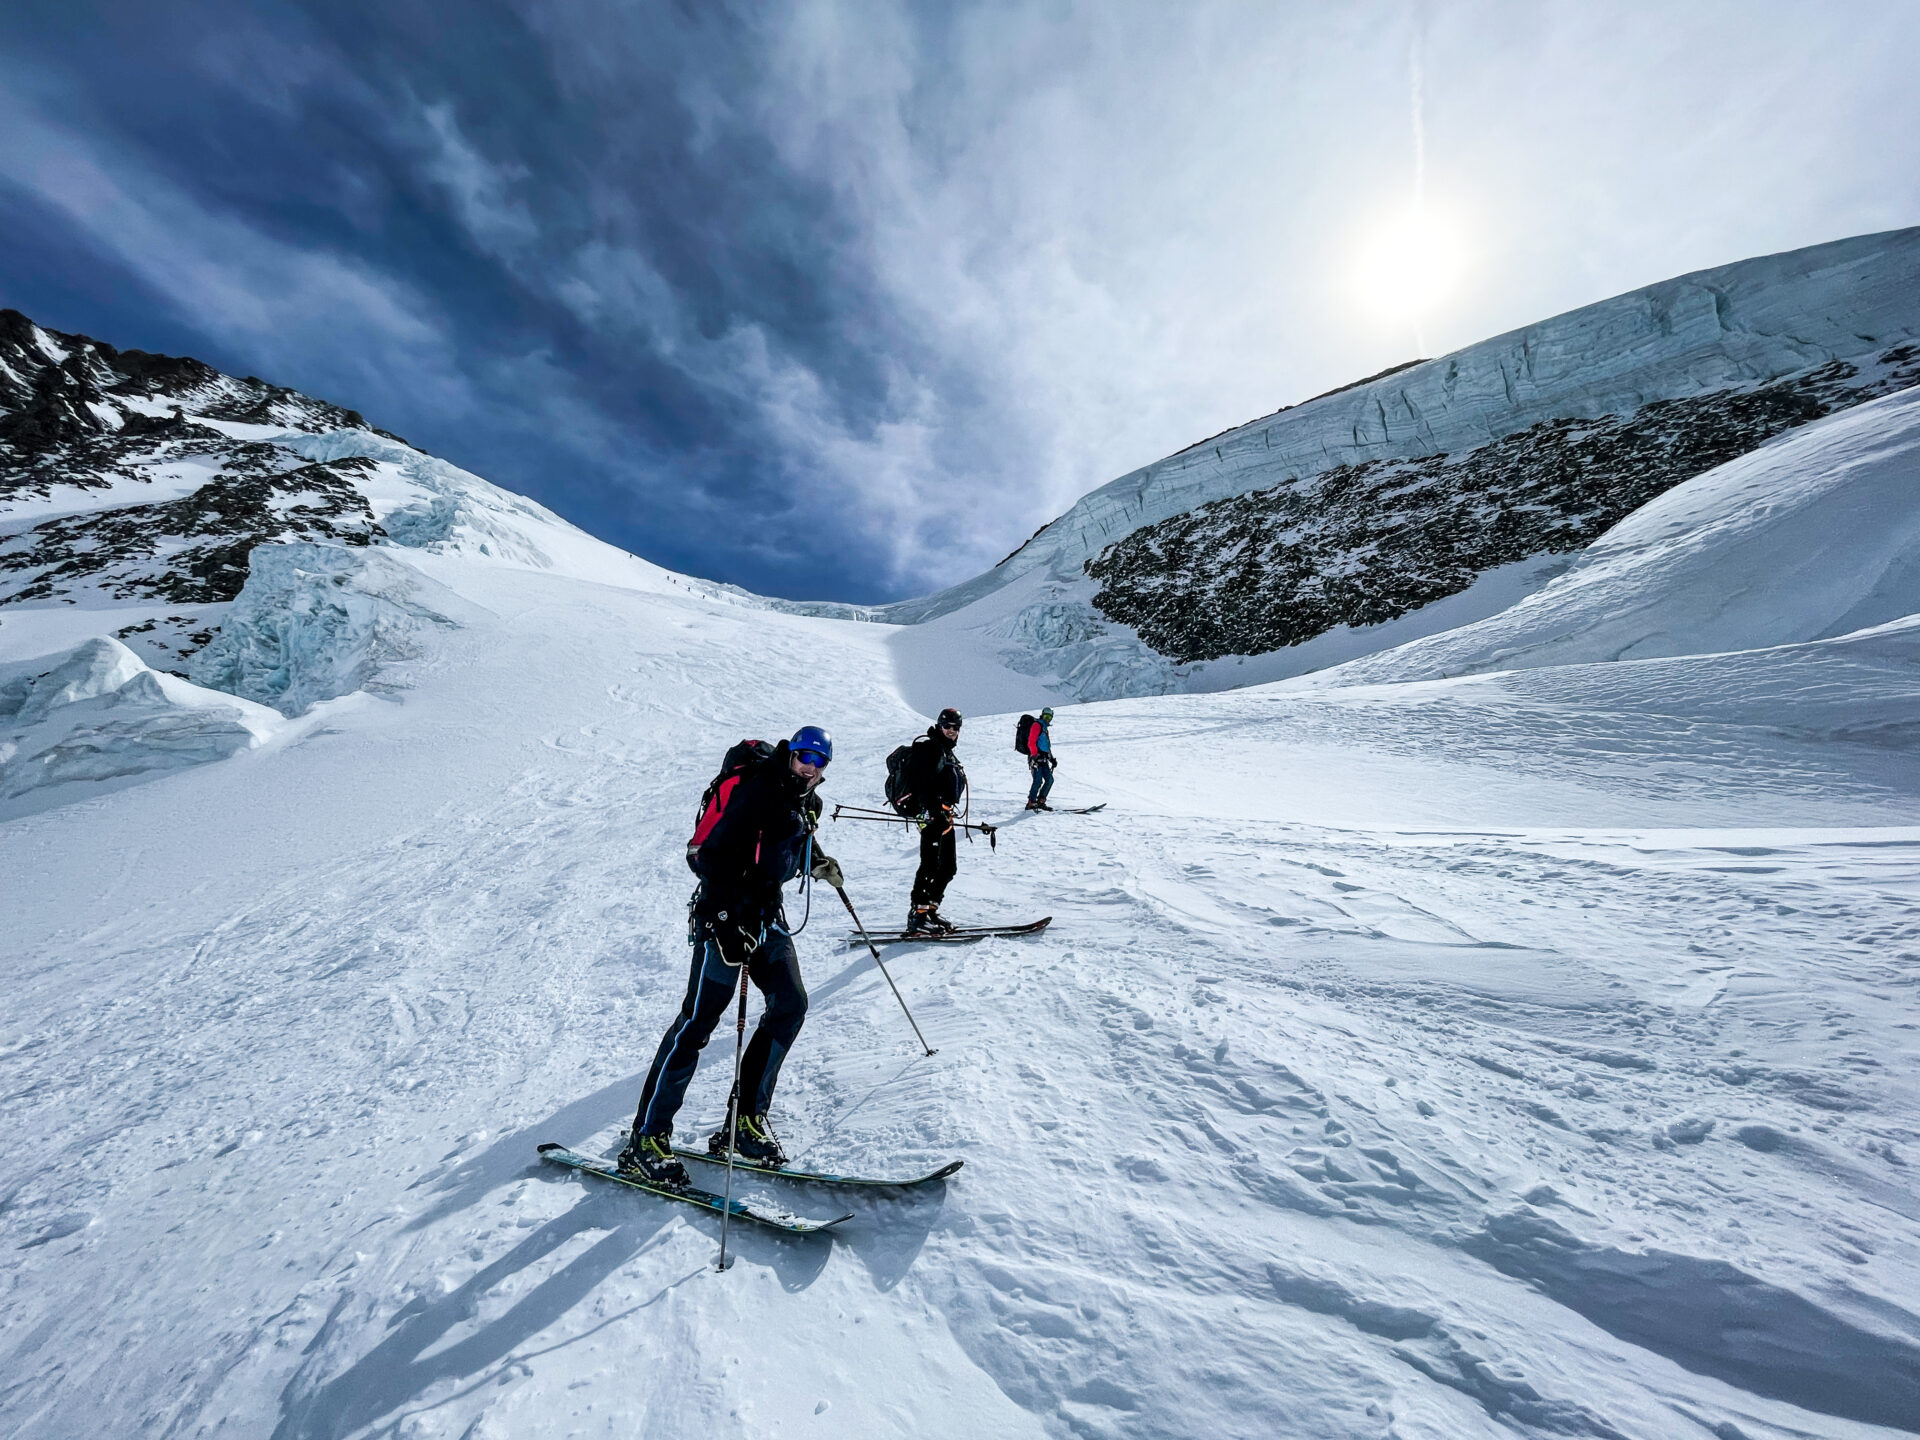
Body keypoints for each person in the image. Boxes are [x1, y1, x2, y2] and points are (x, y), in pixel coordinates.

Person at [617, 725, 844, 1186]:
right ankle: (647, 1139)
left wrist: (815, 861)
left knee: (790, 1005)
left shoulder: (804, 800)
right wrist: (723, 918)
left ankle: (744, 1124)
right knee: (697, 1024)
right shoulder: (758, 790)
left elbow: (785, 842)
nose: (810, 767)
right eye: (805, 757)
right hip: (724, 920)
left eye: (819, 763)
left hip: (766, 919)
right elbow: (710, 856)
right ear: (790, 753)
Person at [901, 706, 968, 936]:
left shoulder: (945, 750)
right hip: (931, 816)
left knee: (948, 867)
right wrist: (934, 811)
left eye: (955, 727)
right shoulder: (932, 748)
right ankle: (918, 916)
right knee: (930, 864)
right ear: (939, 726)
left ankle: (929, 910)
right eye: (947, 726)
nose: (951, 731)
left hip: (943, 815)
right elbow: (923, 783)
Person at [1024, 706, 1056, 811]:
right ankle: (1031, 802)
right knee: (1037, 781)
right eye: (1046, 716)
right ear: (1042, 715)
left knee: (1049, 780)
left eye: (1049, 717)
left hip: (1044, 759)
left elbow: (1046, 745)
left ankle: (1041, 801)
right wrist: (1034, 756)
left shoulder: (1044, 728)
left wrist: (1051, 758)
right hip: (1036, 759)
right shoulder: (1037, 725)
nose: (1047, 719)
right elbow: (1031, 742)